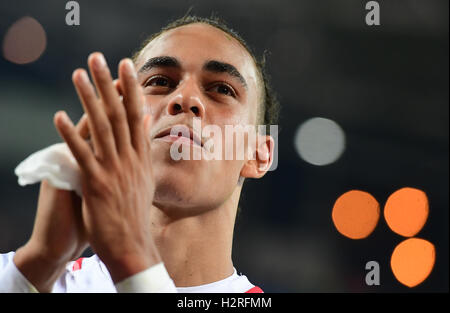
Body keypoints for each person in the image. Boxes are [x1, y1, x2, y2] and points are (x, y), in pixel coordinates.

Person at [0, 15, 279, 293]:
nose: (185, 98)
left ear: (259, 155)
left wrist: (130, 256)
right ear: (117, 118)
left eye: (221, 89)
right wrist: (40, 262)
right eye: (160, 81)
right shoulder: (20, 274)